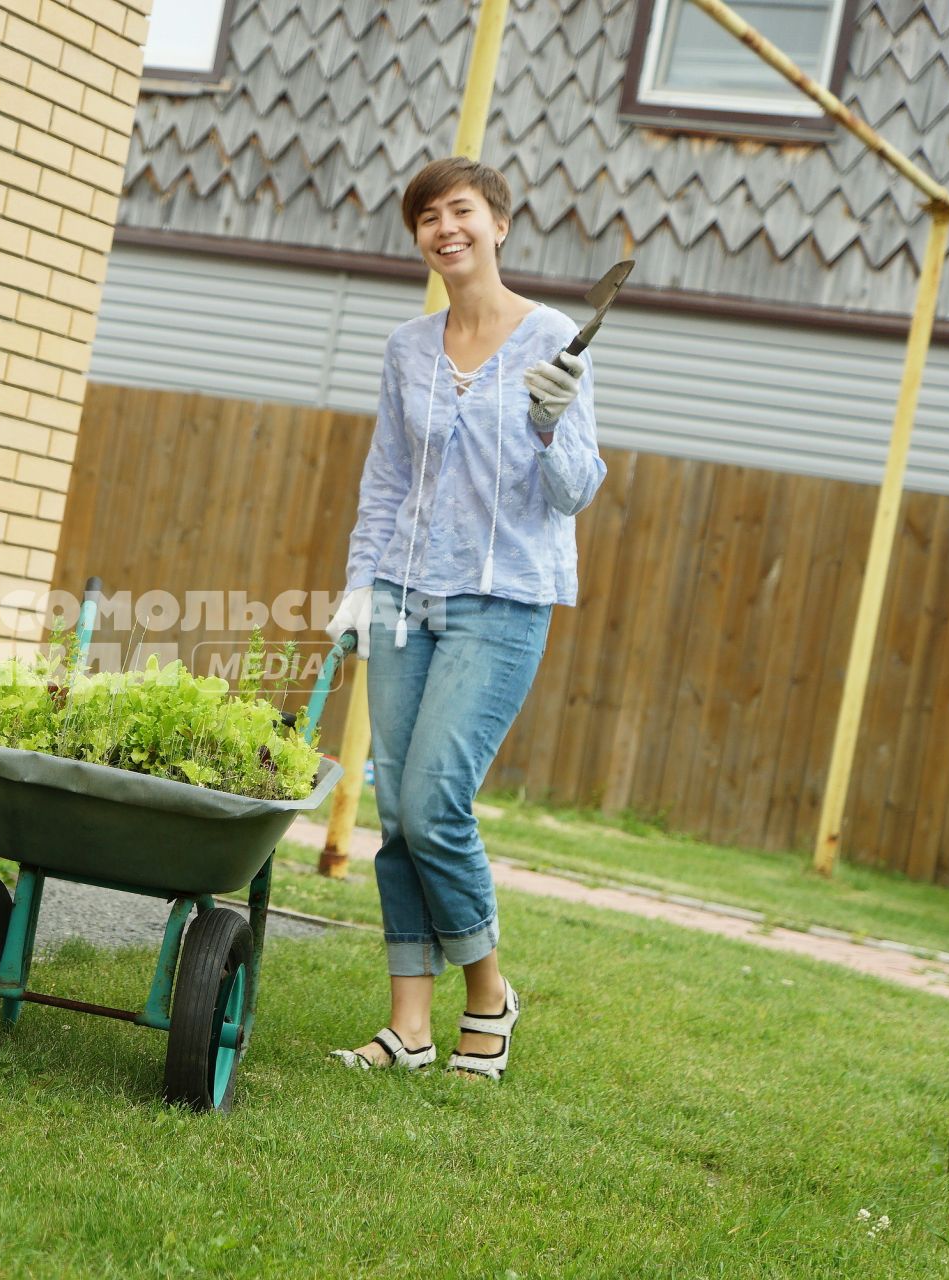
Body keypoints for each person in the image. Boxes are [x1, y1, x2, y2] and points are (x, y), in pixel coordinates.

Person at [323, 156, 607, 1082]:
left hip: (505, 600)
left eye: (462, 212)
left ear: (498, 224)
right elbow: (387, 478)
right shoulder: (408, 348)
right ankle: (408, 1027)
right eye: (428, 218)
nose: (446, 229)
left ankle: (489, 994)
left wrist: (548, 425)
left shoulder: (554, 335)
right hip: (406, 594)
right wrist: (361, 583)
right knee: (396, 814)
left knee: (435, 802)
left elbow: (575, 491)